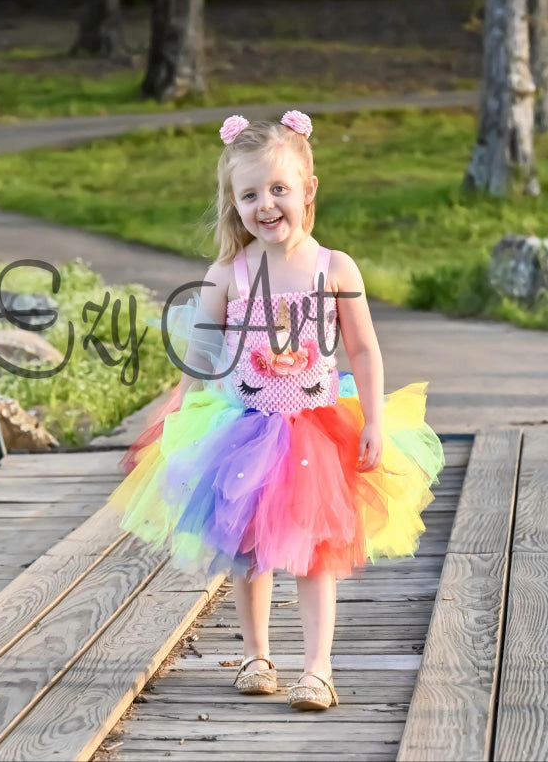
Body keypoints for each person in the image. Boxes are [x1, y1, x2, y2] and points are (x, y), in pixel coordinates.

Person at [107, 109, 446, 712]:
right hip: (245, 429)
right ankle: (258, 654)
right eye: (250, 194)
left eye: (279, 189)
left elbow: (363, 349)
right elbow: (202, 359)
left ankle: (317, 668)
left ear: (308, 190)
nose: (266, 204)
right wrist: (180, 425)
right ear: (233, 203)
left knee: (317, 553)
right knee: (248, 551)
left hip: (318, 428)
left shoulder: (334, 269)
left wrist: (372, 419)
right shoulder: (227, 275)